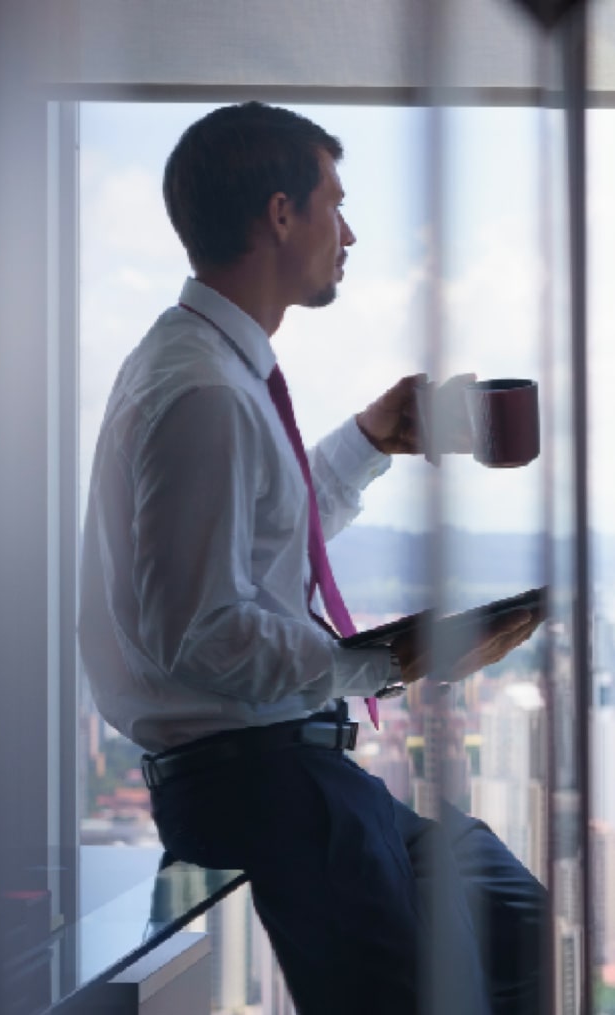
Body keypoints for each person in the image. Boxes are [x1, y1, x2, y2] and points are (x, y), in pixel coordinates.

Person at [78, 102, 545, 1015]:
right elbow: (198, 632)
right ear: (281, 214)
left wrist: (374, 436)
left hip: (289, 764)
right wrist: (378, 661)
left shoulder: (214, 368)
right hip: (254, 777)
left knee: (511, 911)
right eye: (336, 203)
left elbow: (265, 543)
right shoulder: (202, 392)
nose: (352, 231)